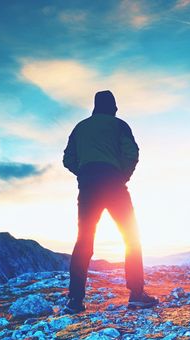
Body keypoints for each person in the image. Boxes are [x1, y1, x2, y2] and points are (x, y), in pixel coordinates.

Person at [62, 90, 158, 314]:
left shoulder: (80, 128)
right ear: (113, 107)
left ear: (94, 107)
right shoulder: (119, 125)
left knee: (84, 241)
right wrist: (122, 175)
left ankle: (75, 300)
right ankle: (136, 294)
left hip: (87, 187)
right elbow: (132, 153)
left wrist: (84, 172)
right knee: (131, 237)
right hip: (114, 184)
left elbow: (67, 159)